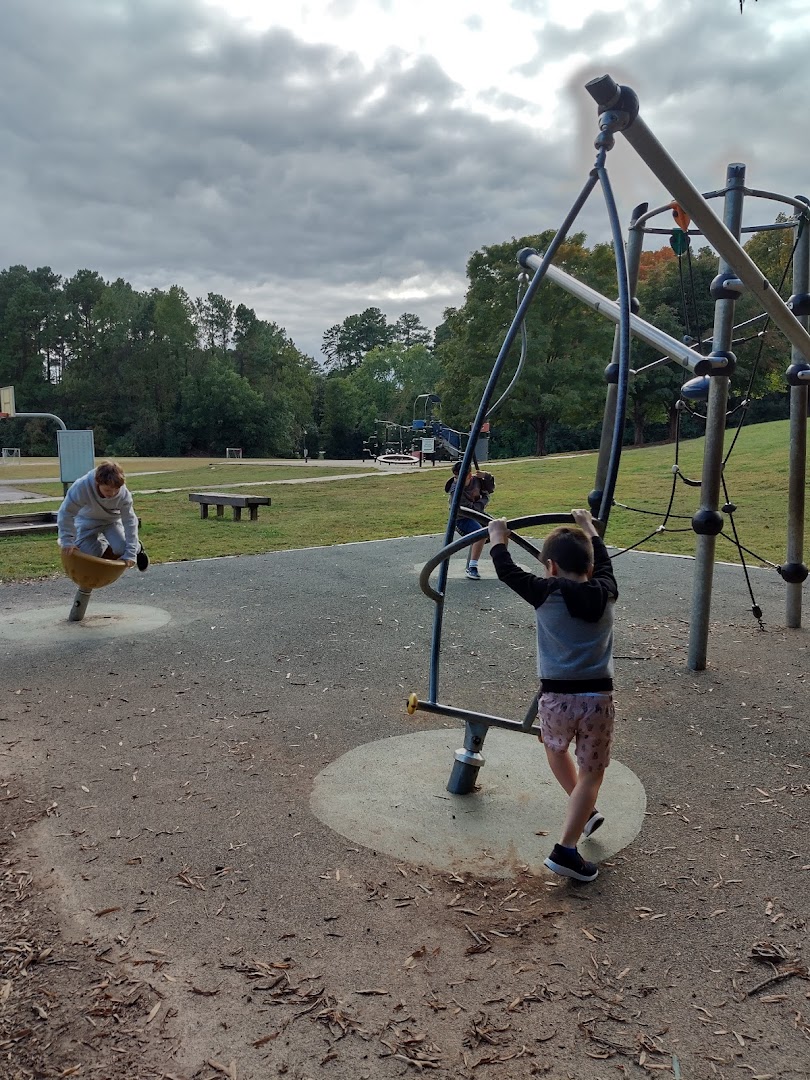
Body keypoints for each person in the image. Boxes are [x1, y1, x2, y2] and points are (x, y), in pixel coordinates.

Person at [487, 509, 617, 882]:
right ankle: (580, 819)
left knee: (554, 747)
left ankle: (568, 845)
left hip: (556, 699)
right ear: (589, 568)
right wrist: (590, 529)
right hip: (597, 700)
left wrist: (498, 538)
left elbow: (507, 571)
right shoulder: (607, 591)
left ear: (551, 567)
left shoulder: (545, 592)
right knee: (591, 775)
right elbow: (604, 562)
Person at [57, 461, 149, 571]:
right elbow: (66, 512)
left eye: (116, 490)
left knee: (122, 549)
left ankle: (139, 548)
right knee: (85, 553)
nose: (112, 494)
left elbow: (130, 522)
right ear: (97, 482)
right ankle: (103, 543)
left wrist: (131, 552)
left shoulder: (124, 495)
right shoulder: (81, 486)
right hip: (87, 520)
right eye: (107, 490)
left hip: (111, 521)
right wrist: (67, 540)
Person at [444, 460, 496, 580]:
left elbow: (490, 489)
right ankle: (472, 567)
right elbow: (470, 509)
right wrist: (485, 499)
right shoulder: (456, 490)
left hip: (478, 515)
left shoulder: (476, 481)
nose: (457, 480)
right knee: (480, 534)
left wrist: (487, 476)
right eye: (455, 477)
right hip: (462, 519)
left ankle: (501, 561)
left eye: (460, 477)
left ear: (469, 475)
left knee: (501, 529)